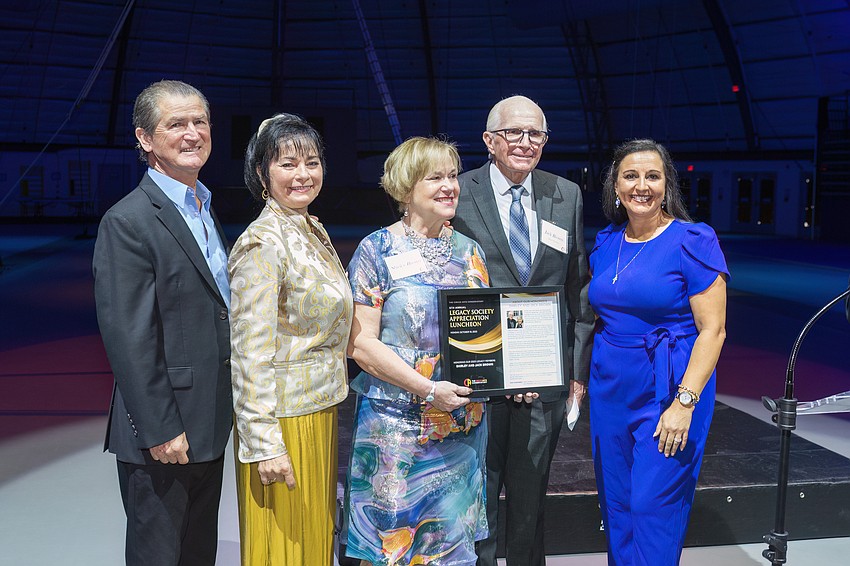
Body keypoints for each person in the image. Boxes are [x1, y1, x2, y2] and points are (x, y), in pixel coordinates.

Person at [451, 95, 595, 566]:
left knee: (531, 495)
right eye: (514, 132)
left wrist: (574, 372)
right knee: (480, 489)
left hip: (542, 377)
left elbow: (578, 288)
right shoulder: (458, 191)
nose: (525, 142)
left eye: (536, 134)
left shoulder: (565, 194)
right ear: (490, 140)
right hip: (480, 377)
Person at [92, 80, 232, 565]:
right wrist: (159, 429)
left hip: (209, 424)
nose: (193, 133)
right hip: (164, 434)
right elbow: (129, 335)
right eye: (177, 124)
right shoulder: (128, 221)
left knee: (197, 555)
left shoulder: (205, 210)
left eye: (200, 122)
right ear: (146, 139)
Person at [343, 137, 490, 565]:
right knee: (395, 549)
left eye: (453, 176)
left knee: (451, 549)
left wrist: (515, 376)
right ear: (407, 187)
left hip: (460, 432)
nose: (450, 186)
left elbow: (486, 340)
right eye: (436, 177)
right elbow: (361, 345)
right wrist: (428, 390)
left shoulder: (470, 252)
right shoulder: (377, 250)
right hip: (396, 434)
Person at [588, 139, 728, 565]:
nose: (641, 186)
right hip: (610, 387)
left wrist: (685, 402)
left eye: (653, 176)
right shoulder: (606, 241)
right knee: (618, 507)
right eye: (631, 176)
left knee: (653, 506)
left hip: (668, 387)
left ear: (667, 185)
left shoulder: (693, 240)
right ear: (615, 184)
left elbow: (714, 330)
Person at [228, 113, 352, 565]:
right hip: (284, 423)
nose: (303, 174)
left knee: (313, 542)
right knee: (285, 549)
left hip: (319, 410)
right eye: (287, 164)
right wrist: (264, 443)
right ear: (262, 173)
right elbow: (248, 353)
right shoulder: (262, 243)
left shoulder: (308, 228)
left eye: (312, 162)